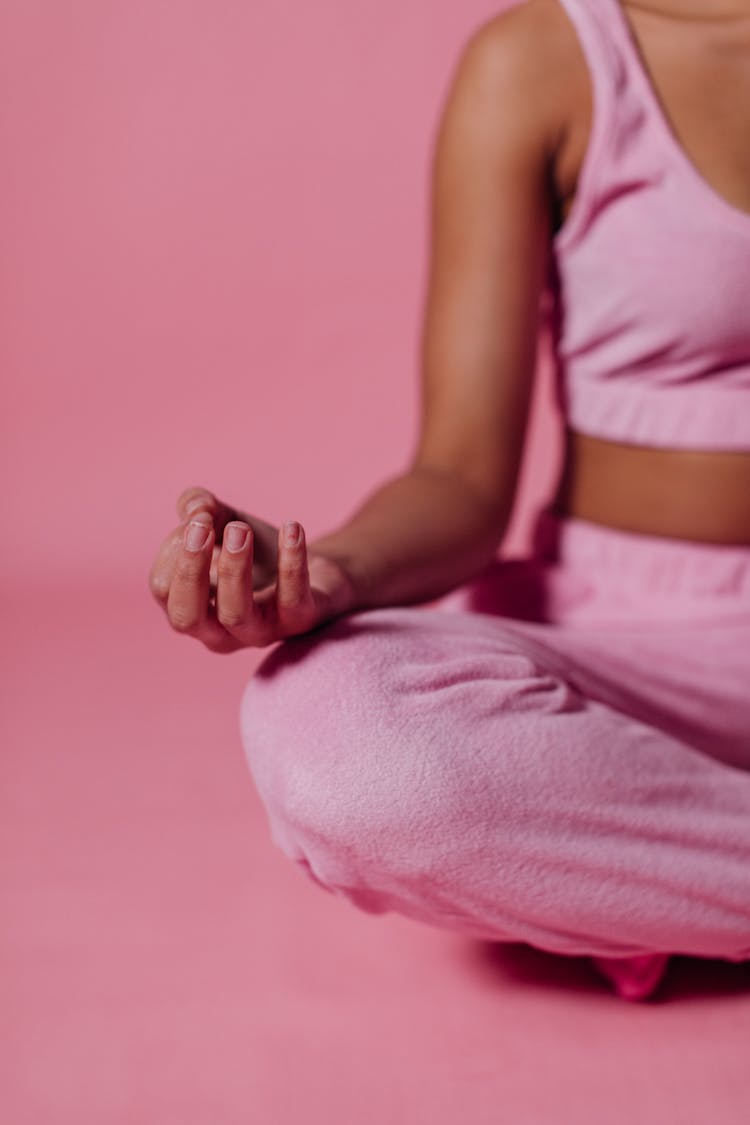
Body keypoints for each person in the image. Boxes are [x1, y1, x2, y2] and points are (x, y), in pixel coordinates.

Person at [148, 0, 750, 1002]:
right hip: (627, 646)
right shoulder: (542, 67)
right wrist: (329, 569)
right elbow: (463, 479)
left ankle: (657, 882)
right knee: (336, 728)